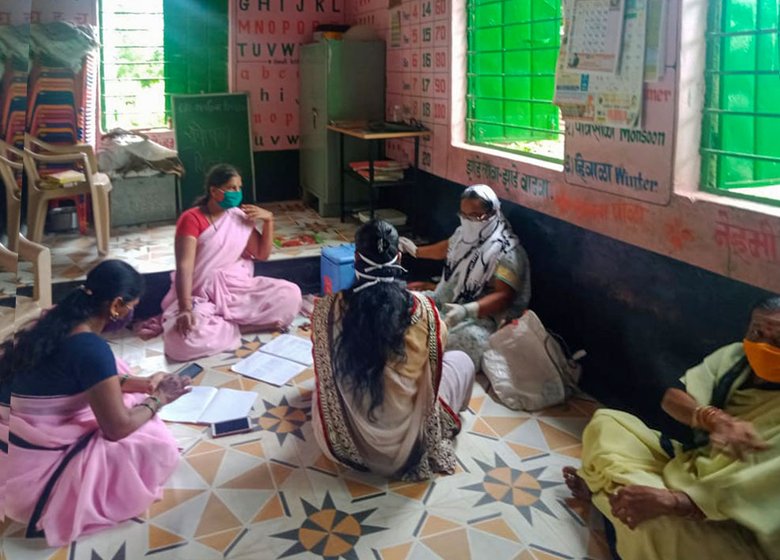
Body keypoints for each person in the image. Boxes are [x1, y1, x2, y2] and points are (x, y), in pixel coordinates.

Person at [563, 297, 780, 560]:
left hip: (740, 526)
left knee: (655, 525)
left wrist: (676, 502)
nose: (764, 346)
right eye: (757, 332)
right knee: (608, 424)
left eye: (778, 339)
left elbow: (759, 494)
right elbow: (672, 399)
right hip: (694, 467)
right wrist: (714, 419)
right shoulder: (736, 358)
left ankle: (605, 495)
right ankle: (619, 499)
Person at [0, 260, 191, 546]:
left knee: (126, 381)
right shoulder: (91, 348)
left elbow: (79, 378)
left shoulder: (51, 320)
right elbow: (117, 428)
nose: (130, 313)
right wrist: (159, 399)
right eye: (131, 306)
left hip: (13, 443)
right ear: (116, 304)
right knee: (154, 445)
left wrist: (145, 382)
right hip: (38, 477)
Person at [311, 220, 475, 480]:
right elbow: (433, 377)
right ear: (399, 257)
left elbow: (326, 370)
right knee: (462, 361)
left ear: (356, 259)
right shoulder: (426, 312)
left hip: (345, 445)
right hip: (410, 444)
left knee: (321, 387)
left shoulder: (326, 309)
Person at [160, 164, 302, 361]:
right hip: (199, 296)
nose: (237, 193)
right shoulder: (191, 219)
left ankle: (226, 324)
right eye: (232, 188)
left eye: (239, 188)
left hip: (235, 291)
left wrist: (269, 221)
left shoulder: (237, 216)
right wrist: (185, 308)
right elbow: (185, 266)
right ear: (214, 191)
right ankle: (245, 326)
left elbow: (262, 253)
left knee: (291, 294)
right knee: (180, 341)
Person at [398, 184, 530, 367]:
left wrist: (467, 310)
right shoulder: (464, 235)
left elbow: (504, 296)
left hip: (483, 318)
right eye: (463, 215)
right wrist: (415, 251)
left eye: (475, 216)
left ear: (493, 213)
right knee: (401, 306)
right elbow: (448, 247)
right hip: (450, 301)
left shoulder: (507, 251)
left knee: (456, 341)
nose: (468, 221)